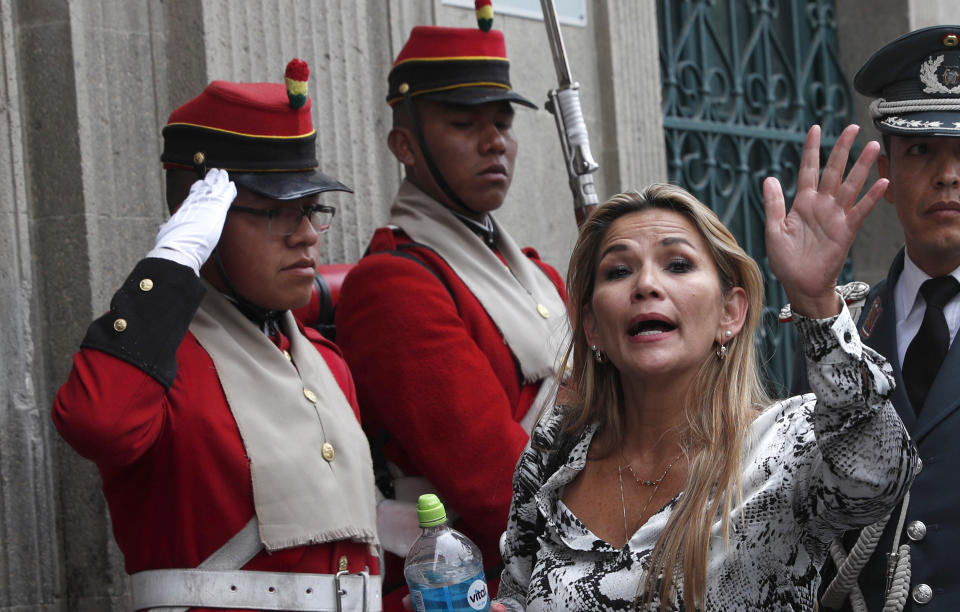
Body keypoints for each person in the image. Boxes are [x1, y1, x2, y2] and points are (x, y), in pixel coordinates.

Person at [496, 124, 918, 611]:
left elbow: (879, 476)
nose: (646, 284)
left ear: (730, 313)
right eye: (618, 270)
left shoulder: (787, 443)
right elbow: (516, 591)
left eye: (677, 265)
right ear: (592, 326)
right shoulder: (556, 448)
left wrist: (816, 302)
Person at [52, 60, 382, 611]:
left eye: (310, 210)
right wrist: (172, 261)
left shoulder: (324, 361)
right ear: (202, 216)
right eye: (278, 212)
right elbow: (96, 424)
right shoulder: (156, 361)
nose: (306, 235)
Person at [334, 21, 568, 606]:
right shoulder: (394, 284)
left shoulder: (538, 273)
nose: (495, 142)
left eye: (504, 123)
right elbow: (497, 487)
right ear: (405, 146)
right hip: (490, 583)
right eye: (464, 124)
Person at [815, 25, 960, 611]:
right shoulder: (838, 329)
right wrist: (811, 297)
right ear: (890, 176)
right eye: (921, 150)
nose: (948, 175)